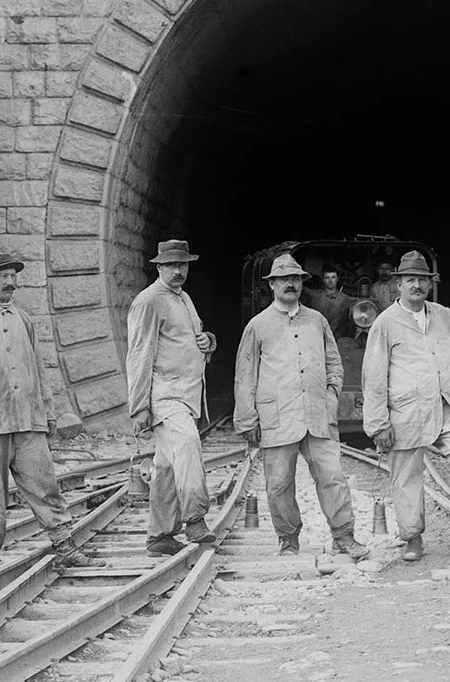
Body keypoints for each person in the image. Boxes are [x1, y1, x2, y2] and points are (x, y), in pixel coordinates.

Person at [0, 252, 102, 569]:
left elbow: (39, 370)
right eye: (3, 275)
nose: (11, 281)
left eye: (13, 275)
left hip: (28, 420)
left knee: (45, 485)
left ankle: (64, 545)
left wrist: (48, 411)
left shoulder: (24, 320)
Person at [362, 251, 450, 562]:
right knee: (407, 476)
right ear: (398, 284)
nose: (417, 285)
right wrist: (378, 424)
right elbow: (373, 376)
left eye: (422, 280)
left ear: (429, 284)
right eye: (410, 279)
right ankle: (412, 538)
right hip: (406, 411)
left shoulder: (441, 314)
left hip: (446, 403)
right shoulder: (385, 324)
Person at [234, 253, 369, 559]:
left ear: (302, 284)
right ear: (272, 285)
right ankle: (288, 539)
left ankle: (344, 537)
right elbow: (245, 375)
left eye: (295, 279)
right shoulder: (258, 326)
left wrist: (332, 395)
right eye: (284, 279)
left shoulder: (316, 320)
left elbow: (334, 362)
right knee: (279, 483)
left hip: (316, 413)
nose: (290, 284)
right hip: (277, 416)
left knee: (332, 476)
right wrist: (247, 420)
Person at [128, 239, 218, 555]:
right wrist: (139, 406)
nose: (178, 270)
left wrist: (208, 341)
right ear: (159, 267)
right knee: (188, 444)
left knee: (166, 466)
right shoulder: (148, 301)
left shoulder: (183, 298)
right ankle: (195, 520)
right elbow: (140, 354)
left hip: (186, 395)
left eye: (182, 264)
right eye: (171, 265)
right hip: (165, 396)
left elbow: (189, 338)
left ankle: (160, 536)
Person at [304, 265, 353, 337]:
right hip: (316, 336)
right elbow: (301, 288)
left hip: (337, 340)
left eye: (333, 277)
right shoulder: (314, 295)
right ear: (323, 280)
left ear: (337, 279)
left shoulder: (345, 299)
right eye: (327, 278)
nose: (330, 280)